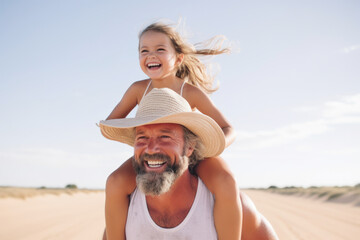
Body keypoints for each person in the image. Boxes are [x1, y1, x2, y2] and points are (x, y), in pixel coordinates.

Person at [103, 22, 241, 240]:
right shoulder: (138, 89)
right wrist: (146, 142)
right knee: (114, 182)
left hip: (193, 152)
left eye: (160, 49)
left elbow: (228, 128)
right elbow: (111, 123)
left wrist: (212, 146)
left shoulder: (190, 91)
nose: (151, 55)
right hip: (156, 152)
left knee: (226, 180)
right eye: (144, 50)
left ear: (178, 58)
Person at [99, 88, 279, 239]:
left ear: (190, 147)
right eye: (142, 137)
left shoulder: (231, 207)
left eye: (165, 136)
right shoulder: (126, 211)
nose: (151, 148)